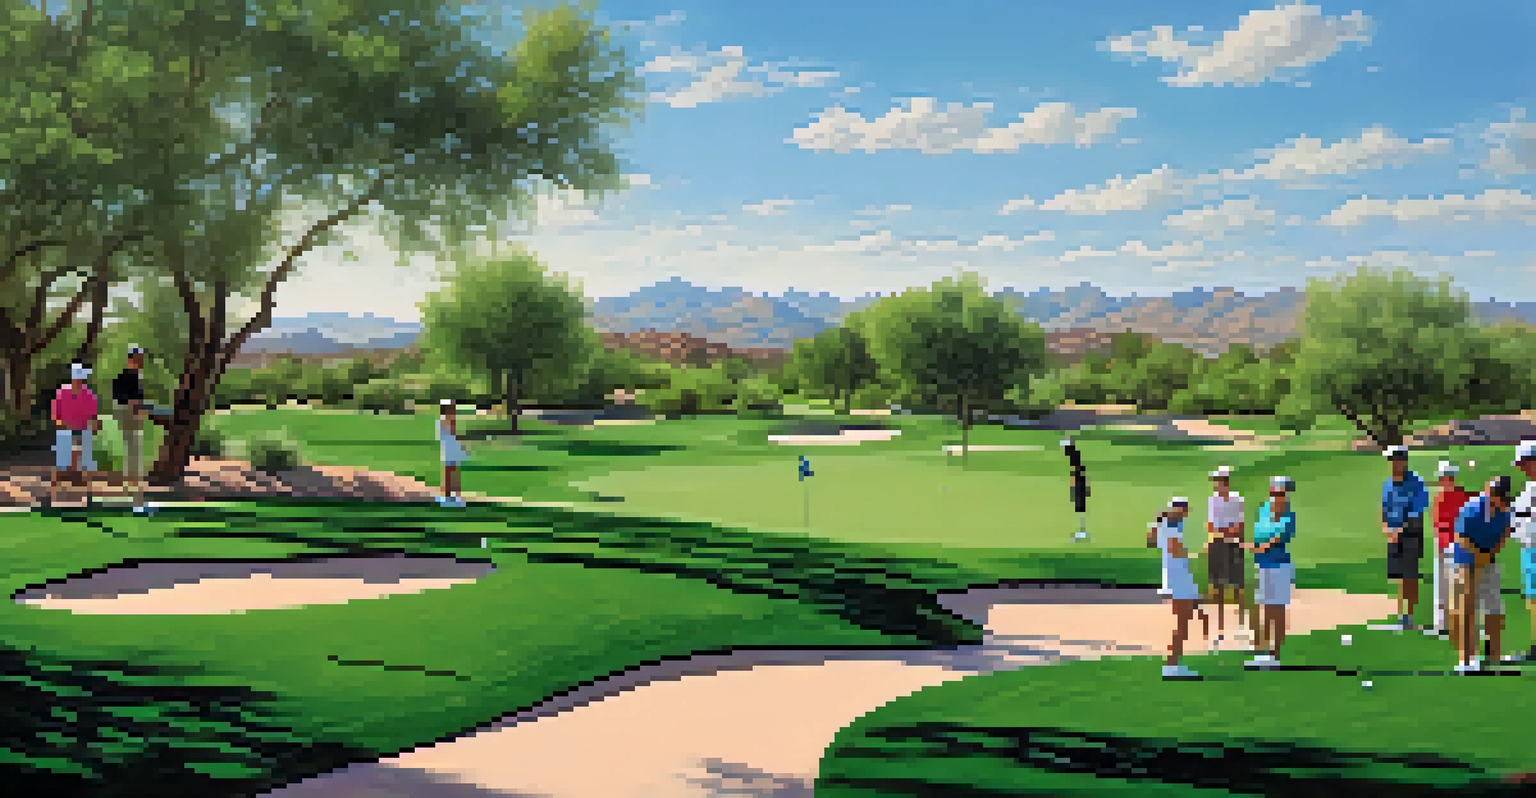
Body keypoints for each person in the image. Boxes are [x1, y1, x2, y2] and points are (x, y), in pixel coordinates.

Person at [1451, 476, 1514, 673]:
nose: (1498, 500)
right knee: (1468, 608)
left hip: (1488, 557)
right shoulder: (1472, 508)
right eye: (1495, 494)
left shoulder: (1504, 511)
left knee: (1494, 607)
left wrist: (1489, 555)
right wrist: (1479, 558)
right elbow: (1460, 537)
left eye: (1502, 497)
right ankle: (1466, 657)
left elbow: (1505, 533)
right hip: (1466, 560)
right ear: (1488, 491)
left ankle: (1494, 654)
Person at [1147, 497, 1209, 679]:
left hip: (1178, 580)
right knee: (1182, 623)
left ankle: (1174, 663)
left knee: (1184, 621)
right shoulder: (1172, 528)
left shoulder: (1165, 526)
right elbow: (1175, 550)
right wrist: (1199, 554)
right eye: (1184, 510)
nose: (1186, 513)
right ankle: (1172, 665)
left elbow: (1155, 542)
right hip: (1178, 580)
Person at [1245, 476, 1296, 670]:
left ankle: (1276, 655)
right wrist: (1255, 545)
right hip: (1264, 566)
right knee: (1266, 609)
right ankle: (1265, 653)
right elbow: (1260, 535)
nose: (1278, 497)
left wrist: (1259, 546)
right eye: (1275, 493)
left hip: (1280, 566)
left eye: (1282, 494)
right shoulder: (1264, 510)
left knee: (1278, 610)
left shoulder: (1289, 516)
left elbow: (1276, 538)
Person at [1380, 446, 1429, 630]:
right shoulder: (1388, 483)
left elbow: (1417, 513)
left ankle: (1409, 615)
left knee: (1410, 576)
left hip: (1411, 534)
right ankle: (1401, 614)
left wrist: (1399, 530)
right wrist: (1386, 528)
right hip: (1394, 534)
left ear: (1404, 461)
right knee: (1399, 576)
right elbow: (1385, 508)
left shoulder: (1416, 483)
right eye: (1391, 461)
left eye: (1396, 460)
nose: (1393, 464)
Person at [1203, 465, 1251, 645]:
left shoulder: (1237, 500)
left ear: (1226, 482)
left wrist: (1223, 531)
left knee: (1238, 586)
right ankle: (1220, 628)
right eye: (1215, 481)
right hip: (1217, 545)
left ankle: (1241, 626)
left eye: (1219, 481)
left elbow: (1239, 527)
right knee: (1218, 587)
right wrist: (1222, 531)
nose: (1216, 485)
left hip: (1233, 546)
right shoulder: (1212, 501)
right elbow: (1210, 526)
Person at [1430, 460, 1474, 640]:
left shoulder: (1464, 497)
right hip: (1441, 545)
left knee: (1455, 588)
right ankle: (1440, 625)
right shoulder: (1438, 498)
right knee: (1440, 586)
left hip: (1456, 546)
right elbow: (1436, 524)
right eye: (1442, 478)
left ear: (1452, 478)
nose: (1444, 481)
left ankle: (1456, 624)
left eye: (1447, 478)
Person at [50, 363, 101, 506]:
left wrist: (93, 429)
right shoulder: (63, 392)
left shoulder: (88, 394)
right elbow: (56, 416)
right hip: (67, 431)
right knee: (61, 464)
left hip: (82, 431)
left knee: (86, 464)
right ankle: (54, 495)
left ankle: (89, 496)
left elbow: (93, 417)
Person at [112, 346, 153, 514]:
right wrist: (137, 412)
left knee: (134, 452)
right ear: (131, 359)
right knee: (133, 452)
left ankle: (132, 489)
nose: (141, 361)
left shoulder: (136, 376)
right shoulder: (127, 377)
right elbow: (128, 401)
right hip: (128, 415)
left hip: (130, 416)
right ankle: (133, 490)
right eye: (138, 358)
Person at [1506, 440, 1536, 664]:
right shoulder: (1527, 489)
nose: (1522, 468)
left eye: (1525, 463)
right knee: (1532, 599)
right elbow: (1514, 518)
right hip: (1528, 551)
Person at [437, 399, 467, 507]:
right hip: (449, 449)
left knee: (453, 472)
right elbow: (451, 433)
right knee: (450, 473)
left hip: (451, 449)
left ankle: (453, 495)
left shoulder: (447, 420)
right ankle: (449, 496)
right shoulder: (445, 420)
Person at [1063, 438, 1089, 540]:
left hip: (1080, 487)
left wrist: (1073, 487)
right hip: (1080, 486)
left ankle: (1082, 531)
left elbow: (1076, 473)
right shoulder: (1078, 466)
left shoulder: (1077, 466)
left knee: (1080, 510)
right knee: (1080, 510)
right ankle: (1081, 531)